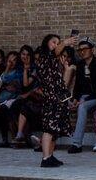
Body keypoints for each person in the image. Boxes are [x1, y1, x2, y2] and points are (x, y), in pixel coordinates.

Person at [31, 33, 78, 167]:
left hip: (58, 100)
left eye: (58, 43)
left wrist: (66, 70)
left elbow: (63, 84)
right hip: (51, 99)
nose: (56, 45)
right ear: (46, 43)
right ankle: (45, 158)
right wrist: (66, 42)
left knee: (54, 131)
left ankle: (50, 156)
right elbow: (54, 52)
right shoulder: (45, 57)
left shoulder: (54, 63)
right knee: (49, 129)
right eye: (54, 42)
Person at [67, 39, 96, 154]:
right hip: (83, 97)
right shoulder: (80, 65)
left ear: (92, 50)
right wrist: (75, 99)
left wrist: (83, 100)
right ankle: (50, 139)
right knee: (64, 103)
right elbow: (77, 86)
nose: (82, 52)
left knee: (82, 107)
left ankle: (76, 144)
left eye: (85, 49)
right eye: (80, 50)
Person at [12, 45, 40, 148]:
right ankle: (23, 137)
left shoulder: (34, 68)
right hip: (20, 96)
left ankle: (21, 136)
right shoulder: (18, 67)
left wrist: (25, 69)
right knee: (13, 108)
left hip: (32, 96)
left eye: (28, 55)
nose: (25, 57)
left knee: (21, 106)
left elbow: (26, 84)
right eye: (23, 54)